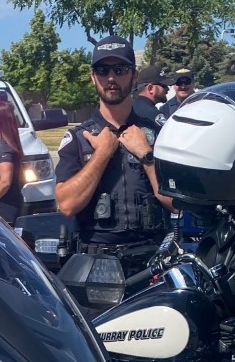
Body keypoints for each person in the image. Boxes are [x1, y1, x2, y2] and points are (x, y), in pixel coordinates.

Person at [54, 35, 173, 257]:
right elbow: (67, 204)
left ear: (134, 76)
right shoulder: (79, 137)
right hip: (96, 262)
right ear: (93, 77)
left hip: (151, 259)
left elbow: (176, 203)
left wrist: (146, 155)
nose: (110, 78)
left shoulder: (159, 133)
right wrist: (101, 155)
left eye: (120, 70)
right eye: (102, 70)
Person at [0, 100, 24, 226]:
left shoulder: (4, 145)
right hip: (7, 204)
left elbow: (5, 181)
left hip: (5, 206)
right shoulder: (3, 142)